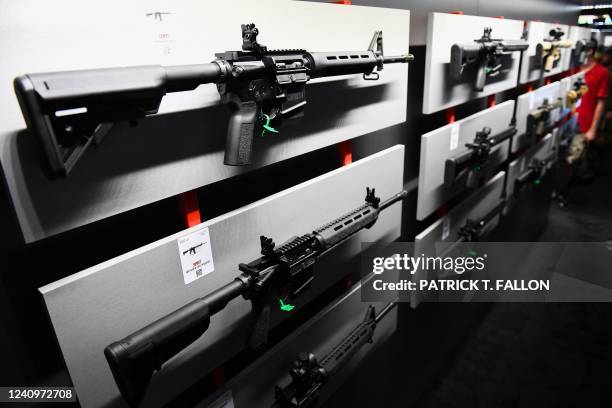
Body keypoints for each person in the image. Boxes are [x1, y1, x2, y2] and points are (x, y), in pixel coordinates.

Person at [567, 40, 608, 165]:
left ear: (590, 51)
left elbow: (601, 103)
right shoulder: (572, 68)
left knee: (576, 158)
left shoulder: (602, 72)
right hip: (566, 120)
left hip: (584, 123)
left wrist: (593, 129)